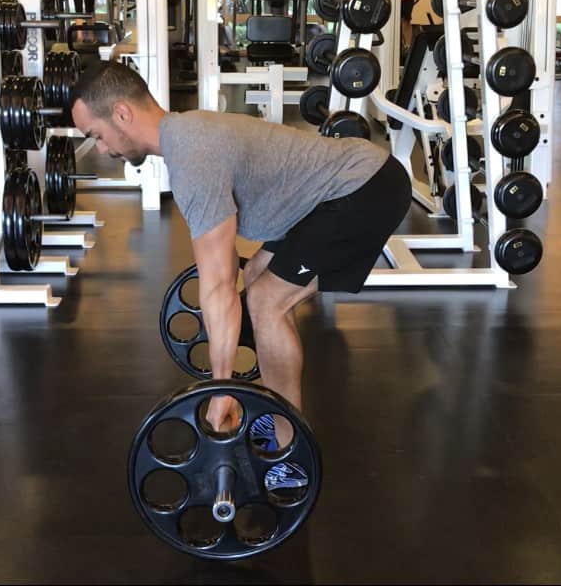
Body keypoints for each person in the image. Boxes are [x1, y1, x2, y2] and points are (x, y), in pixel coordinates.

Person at [70, 62, 411, 490]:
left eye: (96, 136)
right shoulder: (186, 136)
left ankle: (291, 454)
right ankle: (275, 415)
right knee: (256, 277)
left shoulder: (192, 156)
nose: (101, 150)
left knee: (268, 301)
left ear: (121, 114)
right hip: (337, 191)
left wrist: (221, 389)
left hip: (363, 188)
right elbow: (230, 272)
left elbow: (215, 285)